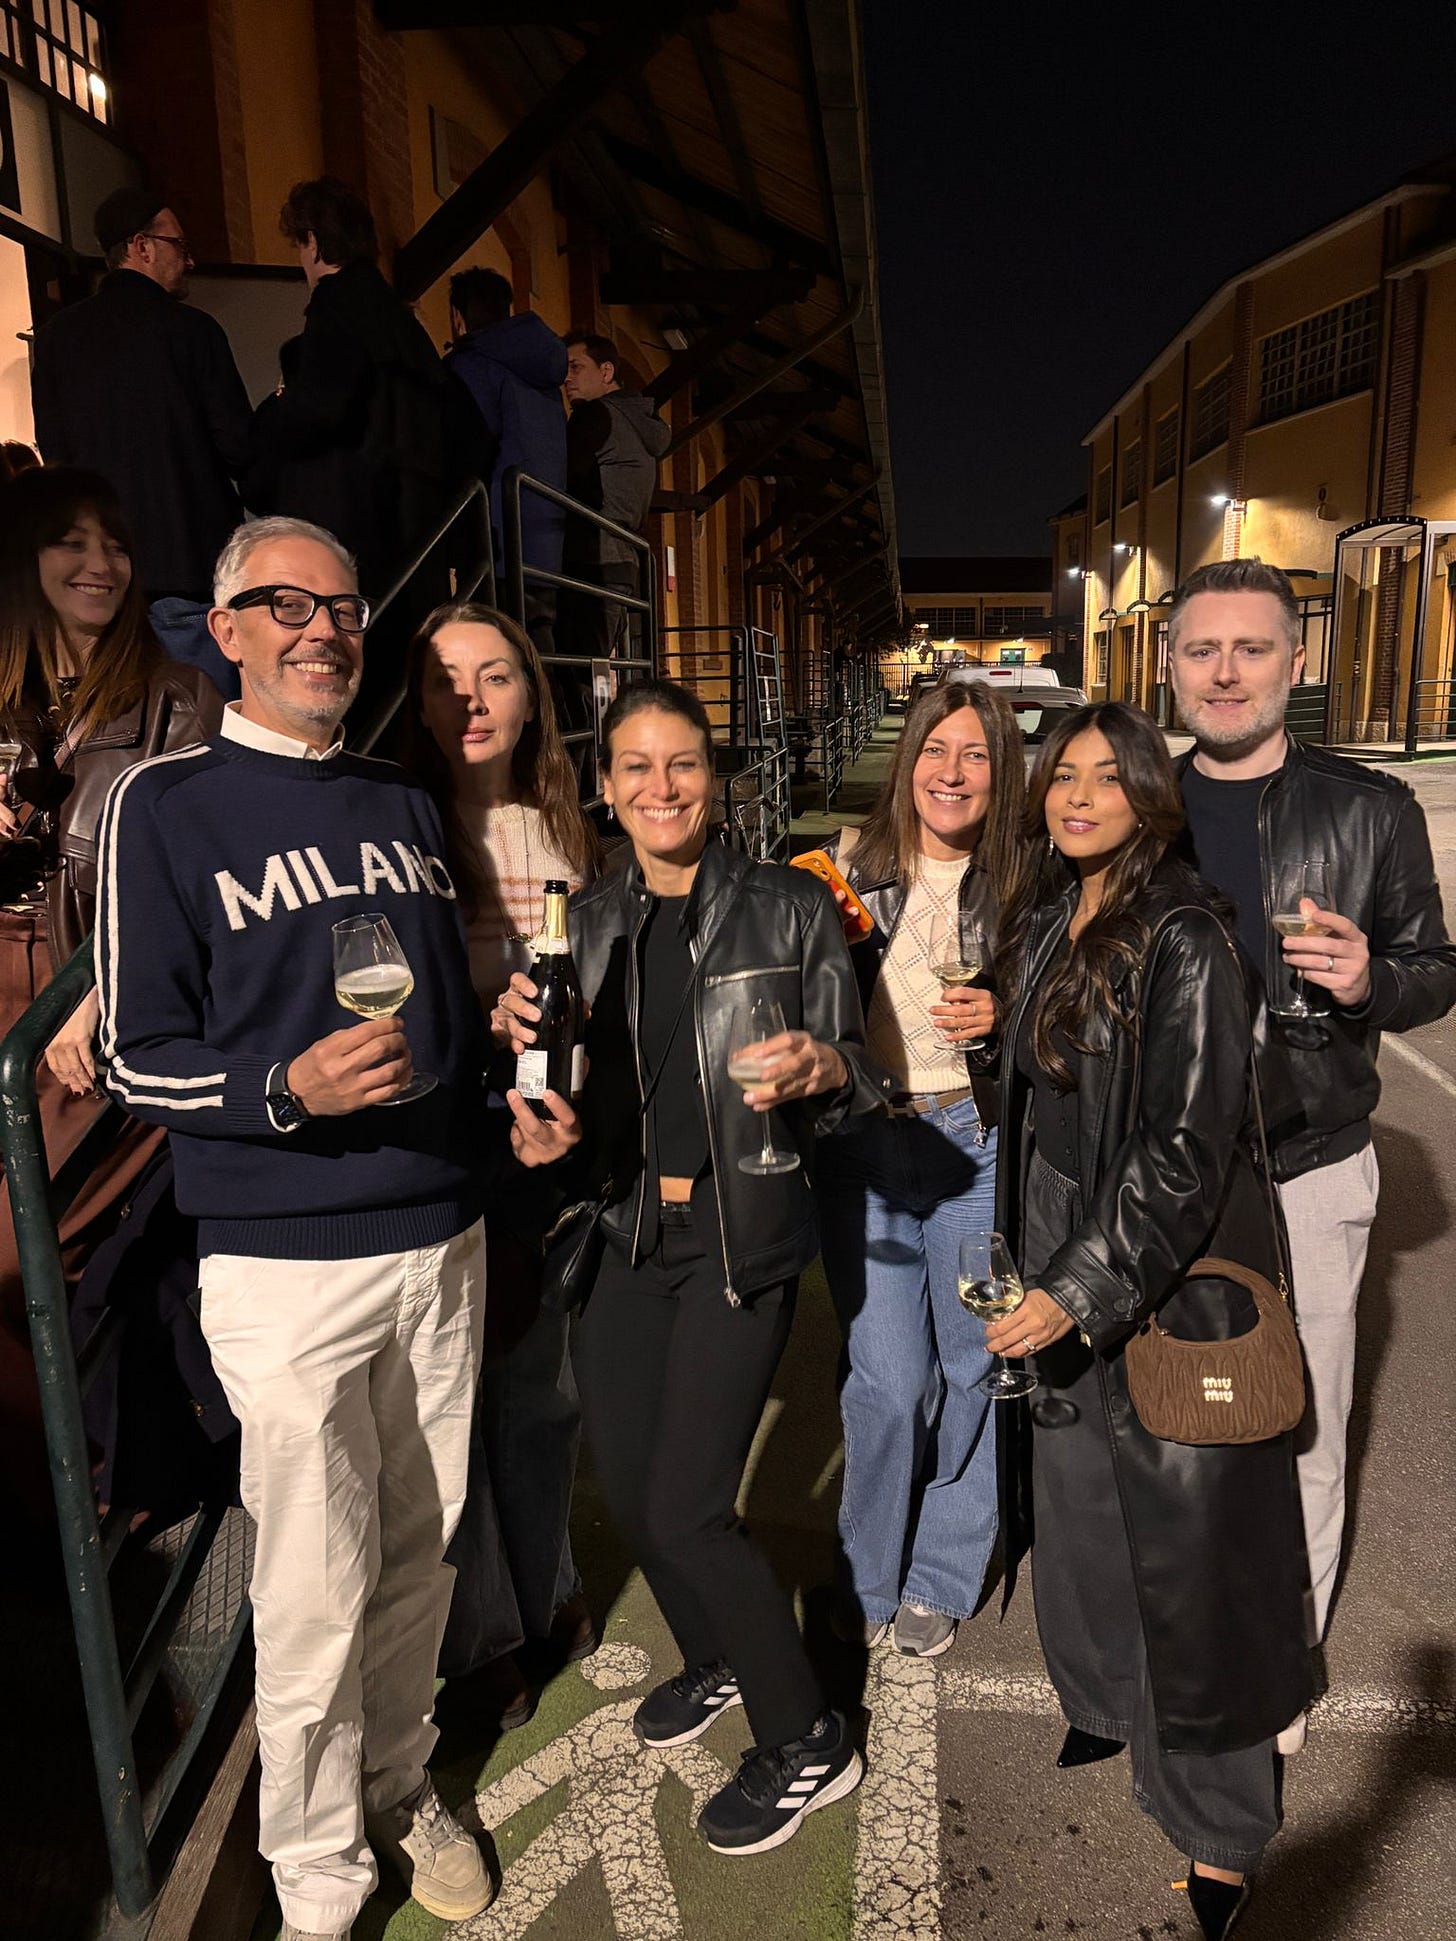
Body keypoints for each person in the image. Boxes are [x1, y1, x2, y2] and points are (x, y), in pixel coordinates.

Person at [94, 515, 494, 1941]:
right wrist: (282, 1089)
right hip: (286, 1262)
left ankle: (399, 1782)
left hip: (441, 1236)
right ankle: (317, 1875)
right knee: (314, 1585)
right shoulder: (165, 804)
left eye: (343, 609)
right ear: (227, 631)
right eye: (288, 606)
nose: (323, 630)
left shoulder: (399, 799)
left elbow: (438, 1018)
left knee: (420, 1553)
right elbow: (135, 1055)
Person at [501, 678, 892, 1856]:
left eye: (682, 764)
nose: (661, 787)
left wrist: (825, 1070)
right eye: (636, 766)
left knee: (688, 1507)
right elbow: (558, 1103)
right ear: (605, 786)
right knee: (630, 1490)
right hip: (623, 1234)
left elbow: (863, 1081)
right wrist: (540, 1130)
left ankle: (806, 1737)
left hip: (738, 1240)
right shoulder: (582, 926)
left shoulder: (789, 906)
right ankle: (716, 1655)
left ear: (715, 781)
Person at [992, 701, 1312, 1941]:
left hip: (1150, 1269)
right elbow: (1056, 1091)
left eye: (1104, 778)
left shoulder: (1185, 933)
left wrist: (1078, 1286)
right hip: (1059, 1241)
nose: (1076, 796)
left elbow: (1183, 1149)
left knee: (1192, 1552)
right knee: (1079, 1509)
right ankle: (1110, 1709)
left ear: (1147, 797)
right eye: (1060, 776)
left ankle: (1223, 1829)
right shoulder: (1050, 912)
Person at [1166, 558, 1456, 1660]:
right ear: (1171, 667)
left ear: (1296, 662)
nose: (1225, 672)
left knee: (1303, 1423)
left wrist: (1370, 978)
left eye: (1250, 648)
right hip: (1165, 1170)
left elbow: (1435, 968)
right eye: (1202, 649)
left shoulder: (1370, 808)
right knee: (1172, 1406)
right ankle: (1185, 1629)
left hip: (1309, 1163)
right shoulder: (1139, 807)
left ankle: (1280, 1656)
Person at [0, 465, 222, 1529]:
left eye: (116, 544)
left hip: (89, 1001)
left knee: (22, 1259)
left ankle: (92, 1501)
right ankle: (66, 1505)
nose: (100, 564)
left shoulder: (177, 699)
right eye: (71, 541)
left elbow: (192, 882)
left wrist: (99, 990)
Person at [404, 600, 598, 1729]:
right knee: (451, 1401)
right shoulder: (400, 825)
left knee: (538, 1389)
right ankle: (478, 1635)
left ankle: (547, 1581)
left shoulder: (575, 826)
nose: (471, 700)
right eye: (445, 679)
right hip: (450, 1125)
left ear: (531, 695)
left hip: (549, 1125)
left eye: (495, 675)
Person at [813, 682, 1025, 1655]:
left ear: (1000, 771)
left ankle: (941, 1568)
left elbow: (1065, 1009)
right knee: (889, 1381)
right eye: (935, 749)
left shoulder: (1026, 883)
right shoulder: (846, 868)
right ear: (907, 761)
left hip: (977, 1145)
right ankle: (867, 1573)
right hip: (868, 1143)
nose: (951, 771)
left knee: (974, 1360)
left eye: (975, 754)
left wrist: (1005, 1016)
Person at [30, 187, 252, 602]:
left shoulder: (55, 339)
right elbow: (239, 446)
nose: (189, 260)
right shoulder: (194, 332)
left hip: (99, 575)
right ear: (142, 247)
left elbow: (56, 456)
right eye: (179, 245)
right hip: (191, 565)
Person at [246, 178, 451, 597]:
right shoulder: (397, 317)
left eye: (299, 245)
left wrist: (273, 414)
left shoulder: (336, 304)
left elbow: (321, 408)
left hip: (355, 517)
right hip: (410, 521)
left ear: (312, 241)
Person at [445, 268, 568, 645]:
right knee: (534, 646)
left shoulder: (471, 367)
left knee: (493, 648)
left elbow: (462, 451)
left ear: (458, 317)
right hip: (544, 544)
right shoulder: (541, 375)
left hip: (494, 539)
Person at [560, 331, 668, 659]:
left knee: (577, 666)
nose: (566, 378)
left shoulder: (595, 415)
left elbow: (564, 477)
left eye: (576, 367)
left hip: (591, 558)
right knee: (596, 667)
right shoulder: (636, 423)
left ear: (606, 371)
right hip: (621, 561)